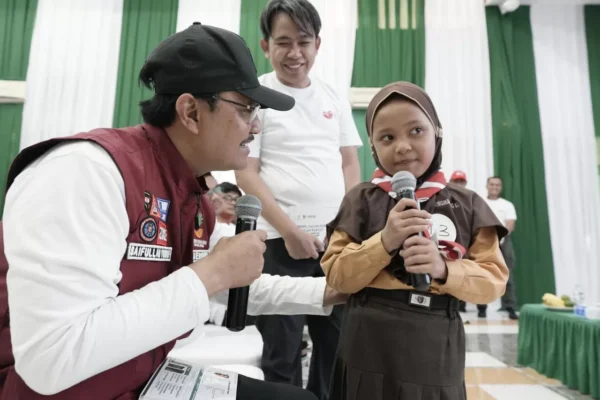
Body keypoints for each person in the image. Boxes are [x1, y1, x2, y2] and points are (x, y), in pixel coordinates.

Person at [0, 22, 343, 400]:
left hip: (140, 379)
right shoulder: (86, 172)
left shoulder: (191, 197)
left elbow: (234, 282)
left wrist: (334, 291)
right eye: (247, 109)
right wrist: (213, 272)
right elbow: (52, 358)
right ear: (191, 112)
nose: (257, 126)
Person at [321, 82, 510, 400]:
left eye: (416, 131)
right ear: (372, 148)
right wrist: (384, 241)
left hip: (436, 344)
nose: (403, 147)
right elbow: (337, 276)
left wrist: (443, 268)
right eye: (387, 137)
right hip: (367, 339)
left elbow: (493, 281)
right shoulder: (360, 200)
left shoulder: (468, 204)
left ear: (437, 133)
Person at [235, 1, 362, 398]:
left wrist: (346, 228)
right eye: (283, 42)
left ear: (317, 44)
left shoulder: (333, 97)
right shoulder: (255, 97)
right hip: (278, 243)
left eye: (304, 42)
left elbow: (350, 165)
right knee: (282, 352)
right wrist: (289, 231)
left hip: (333, 245)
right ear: (265, 46)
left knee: (336, 349)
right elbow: (245, 172)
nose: (295, 53)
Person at [477, 176, 519, 320]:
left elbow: (510, 224)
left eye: (497, 185)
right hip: (484, 241)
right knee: (482, 274)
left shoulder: (507, 205)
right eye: (492, 184)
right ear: (487, 186)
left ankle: (510, 307)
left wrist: (500, 237)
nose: (494, 187)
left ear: (501, 187)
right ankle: (481, 307)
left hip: (504, 241)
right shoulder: (480, 203)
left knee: (507, 274)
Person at [449, 170, 468, 312]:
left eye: (461, 181)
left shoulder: (471, 199)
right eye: (456, 181)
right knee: (453, 270)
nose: (459, 184)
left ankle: (478, 307)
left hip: (467, 239)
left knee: (468, 270)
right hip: (451, 240)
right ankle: (456, 303)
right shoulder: (445, 197)